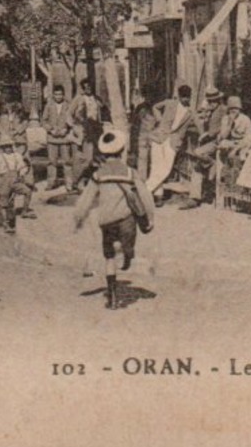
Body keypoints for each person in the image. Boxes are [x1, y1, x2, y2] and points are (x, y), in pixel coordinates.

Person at [73, 129, 156, 311]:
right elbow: (145, 195)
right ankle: (127, 253)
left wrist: (79, 217)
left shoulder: (99, 174)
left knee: (109, 257)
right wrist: (150, 216)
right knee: (126, 246)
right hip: (126, 219)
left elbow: (86, 198)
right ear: (121, 151)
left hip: (106, 221)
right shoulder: (129, 172)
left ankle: (112, 297)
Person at [145, 84, 199, 206]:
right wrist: (159, 120)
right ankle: (158, 196)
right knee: (156, 167)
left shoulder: (191, 112)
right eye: (184, 97)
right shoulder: (170, 103)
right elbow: (155, 107)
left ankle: (145, 190)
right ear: (179, 96)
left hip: (174, 141)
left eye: (188, 97)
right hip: (159, 137)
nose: (186, 99)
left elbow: (198, 125)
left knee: (166, 169)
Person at [0, 105, 34, 233]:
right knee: (4, 200)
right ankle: (5, 223)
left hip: (14, 177)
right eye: (5, 147)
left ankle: (24, 210)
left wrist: (22, 173)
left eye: (9, 146)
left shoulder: (16, 155)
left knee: (25, 191)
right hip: (4, 179)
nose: (8, 148)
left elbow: (22, 166)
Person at [212, 95, 251, 208]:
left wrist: (237, 149)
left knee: (240, 166)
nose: (233, 111)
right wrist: (229, 124)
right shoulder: (225, 119)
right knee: (223, 147)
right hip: (229, 144)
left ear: (240, 109)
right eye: (231, 109)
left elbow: (249, 138)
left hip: (241, 146)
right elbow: (222, 137)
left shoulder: (246, 119)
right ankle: (225, 198)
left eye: (236, 108)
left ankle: (239, 200)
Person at [40, 85, 82, 190]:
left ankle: (69, 183)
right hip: (52, 138)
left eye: (60, 94)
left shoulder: (68, 105)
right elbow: (43, 120)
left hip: (64, 138)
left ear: (63, 95)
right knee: (51, 161)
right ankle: (51, 182)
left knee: (67, 161)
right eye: (56, 94)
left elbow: (73, 119)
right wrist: (50, 129)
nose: (58, 96)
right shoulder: (48, 105)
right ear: (53, 95)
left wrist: (66, 129)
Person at [69, 83, 104, 187]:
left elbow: (102, 113)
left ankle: (88, 181)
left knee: (96, 157)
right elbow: (69, 115)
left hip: (96, 130)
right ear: (82, 88)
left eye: (90, 86)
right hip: (84, 130)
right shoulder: (78, 99)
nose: (88, 89)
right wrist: (75, 128)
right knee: (86, 158)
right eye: (85, 87)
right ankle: (75, 180)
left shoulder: (96, 99)